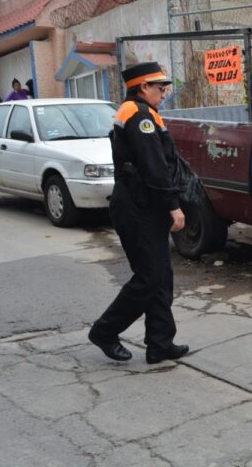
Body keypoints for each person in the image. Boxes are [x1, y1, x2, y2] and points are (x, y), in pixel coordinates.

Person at [88, 61, 189, 365]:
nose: (164, 92)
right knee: (150, 277)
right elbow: (153, 167)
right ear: (143, 87)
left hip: (143, 203)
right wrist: (174, 206)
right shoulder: (138, 115)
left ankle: (159, 343)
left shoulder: (139, 113)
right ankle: (105, 331)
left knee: (160, 276)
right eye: (160, 87)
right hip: (137, 206)